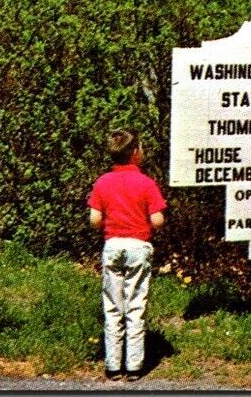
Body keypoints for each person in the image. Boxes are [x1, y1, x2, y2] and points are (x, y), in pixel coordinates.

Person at [87, 128, 167, 381]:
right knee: (135, 305)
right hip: (138, 246)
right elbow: (157, 220)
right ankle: (134, 364)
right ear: (135, 153)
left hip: (112, 245)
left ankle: (113, 364)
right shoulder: (146, 183)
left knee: (112, 306)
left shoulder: (102, 182)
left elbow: (94, 219)